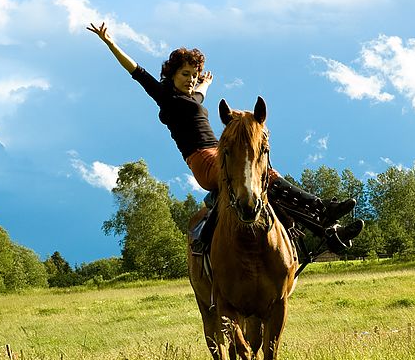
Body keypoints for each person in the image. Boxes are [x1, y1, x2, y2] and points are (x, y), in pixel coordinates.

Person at [87, 22, 364, 253]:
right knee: (260, 172)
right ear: (171, 75)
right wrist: (110, 43)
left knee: (263, 173)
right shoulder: (165, 96)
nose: (190, 80)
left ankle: (328, 230)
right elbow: (137, 72)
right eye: (185, 74)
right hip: (203, 160)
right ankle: (322, 211)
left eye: (193, 76)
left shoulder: (192, 96)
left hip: (221, 151)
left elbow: (199, 96)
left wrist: (204, 83)